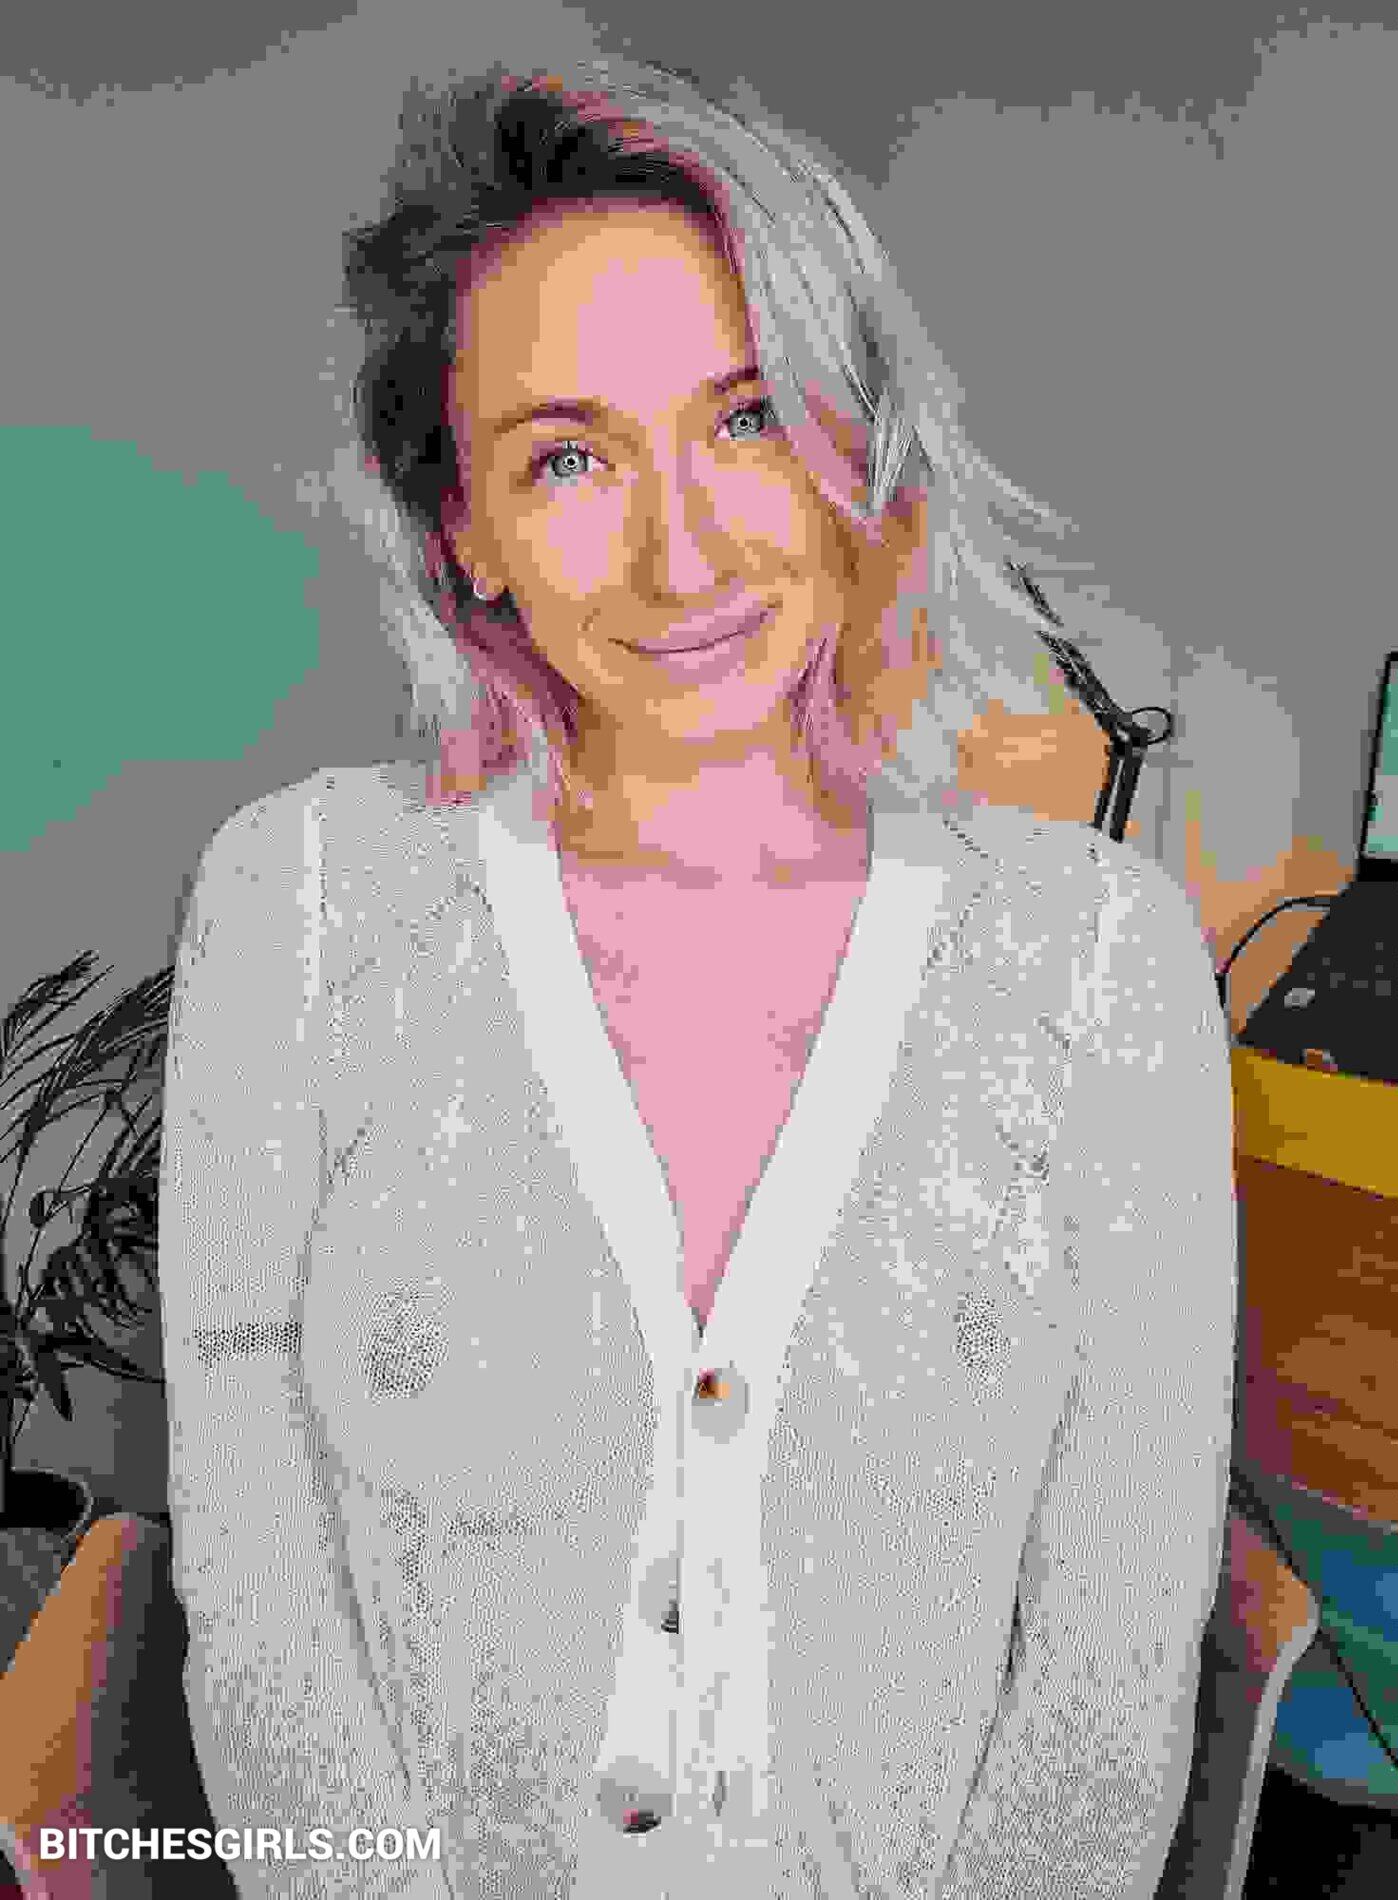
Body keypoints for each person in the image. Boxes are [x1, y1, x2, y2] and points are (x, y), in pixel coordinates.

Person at [158, 52, 1238, 1900]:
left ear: (855, 449)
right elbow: (257, 1594)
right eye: (568, 457)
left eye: (745, 420)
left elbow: (1111, 1663)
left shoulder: (1098, 959)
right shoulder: (302, 901)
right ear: (462, 529)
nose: (683, 551)